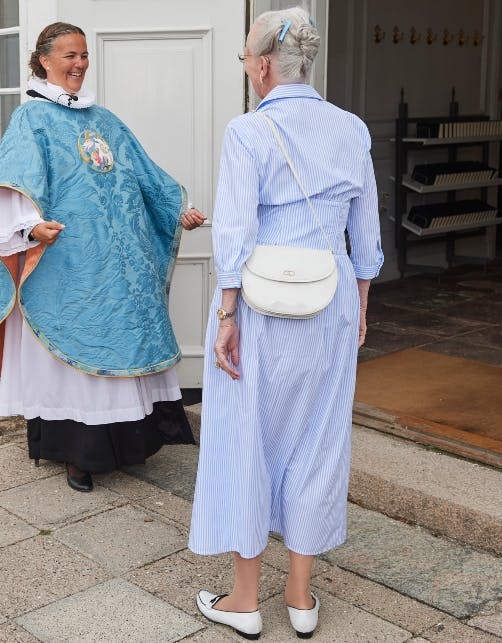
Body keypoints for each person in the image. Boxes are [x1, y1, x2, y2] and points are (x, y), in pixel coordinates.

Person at [189, 7, 383, 640]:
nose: (247, 70)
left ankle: (246, 600)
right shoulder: (351, 129)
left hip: (263, 310)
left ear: (267, 65)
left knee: (251, 440)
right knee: (318, 442)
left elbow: (236, 233)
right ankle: (300, 597)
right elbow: (366, 229)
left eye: (247, 60)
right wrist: (360, 299)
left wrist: (225, 316)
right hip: (330, 304)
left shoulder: (247, 133)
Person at [0, 22, 205, 493]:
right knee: (77, 353)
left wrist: (176, 209)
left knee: (119, 339)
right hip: (67, 264)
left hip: (117, 263)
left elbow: (143, 172)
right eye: (69, 56)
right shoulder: (31, 120)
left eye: (83, 56)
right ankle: (78, 453)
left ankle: (128, 443)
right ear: (43, 61)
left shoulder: (104, 119)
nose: (79, 64)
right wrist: (30, 227)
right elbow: (14, 181)